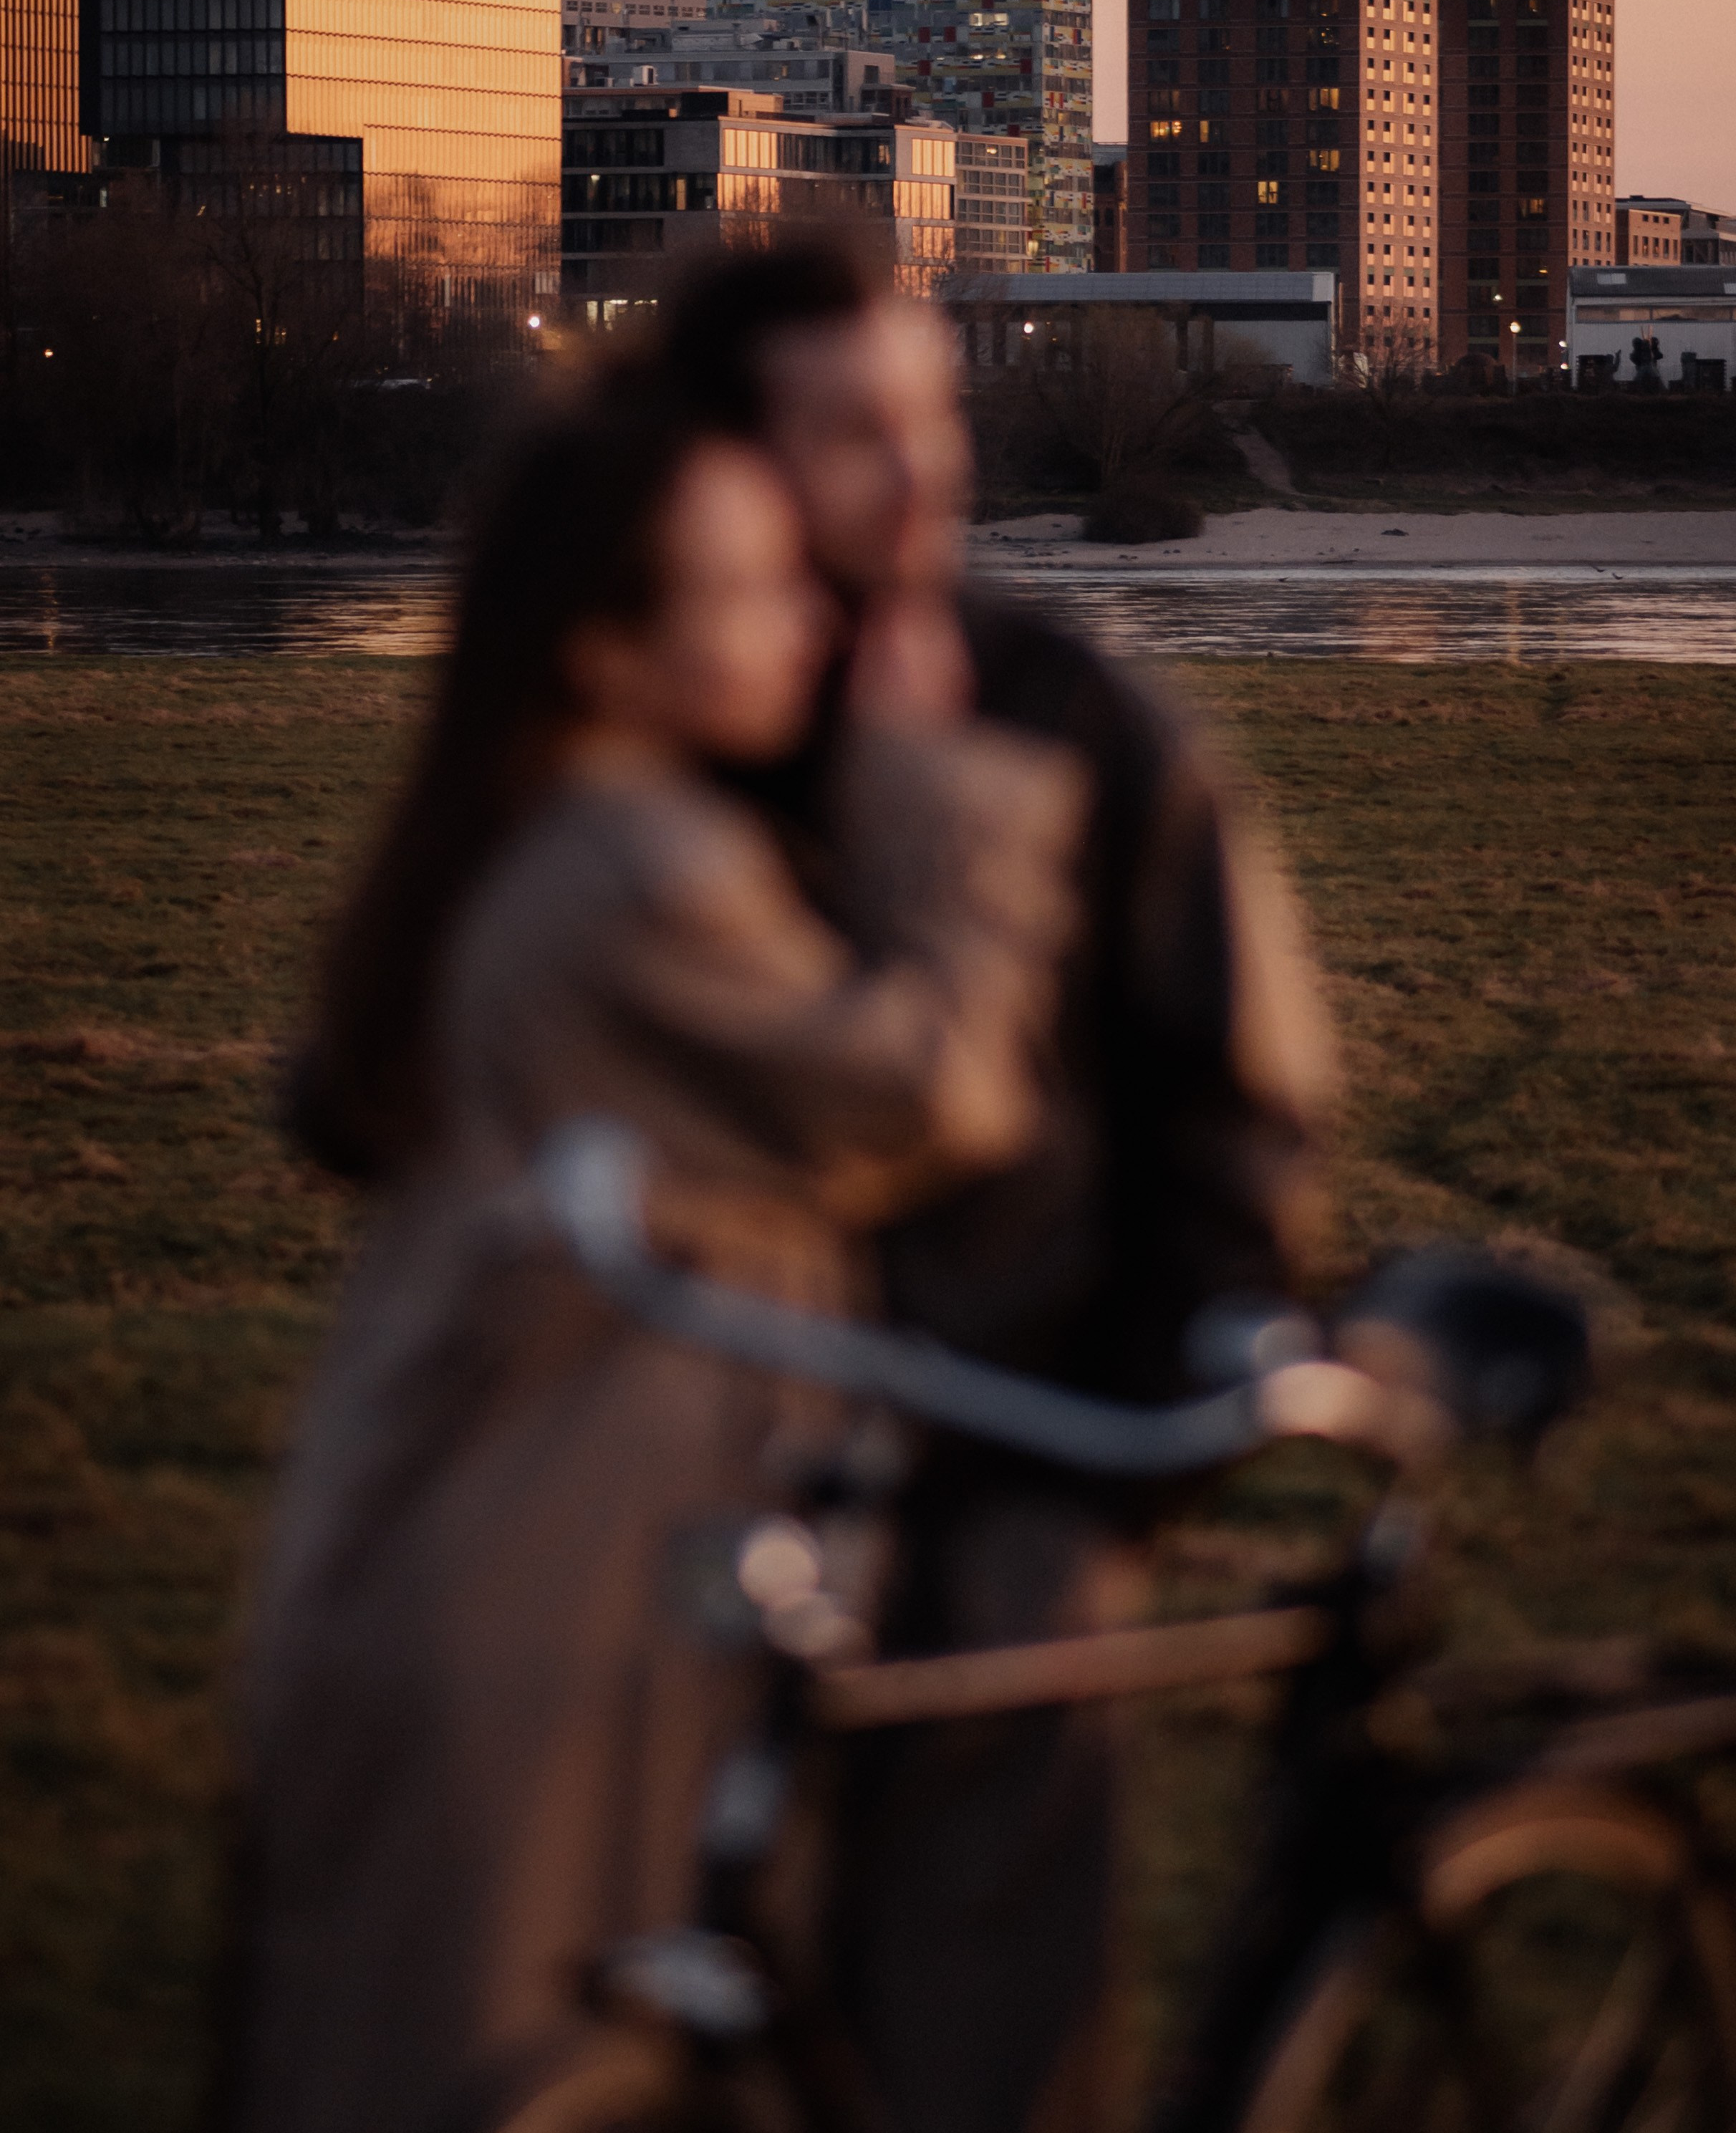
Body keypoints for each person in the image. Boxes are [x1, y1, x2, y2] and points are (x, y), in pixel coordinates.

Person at [230, 373, 1084, 2133]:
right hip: (532, 1610)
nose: (804, 622)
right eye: (748, 589)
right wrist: (945, 804)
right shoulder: (638, 867)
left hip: (527, 1557)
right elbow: (928, 1090)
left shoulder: (541, 824)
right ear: (606, 653)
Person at [645, 237, 1335, 2133]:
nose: (917, 471)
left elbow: (1237, 1104)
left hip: (1009, 1464)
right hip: (713, 1461)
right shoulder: (664, 712)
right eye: (850, 431)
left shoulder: (1069, 713)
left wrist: (1109, 1461)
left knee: (982, 2036)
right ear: (727, 466)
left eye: (928, 417)